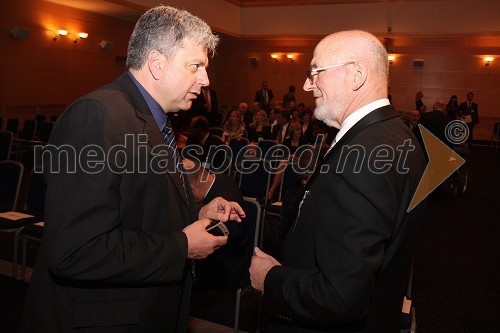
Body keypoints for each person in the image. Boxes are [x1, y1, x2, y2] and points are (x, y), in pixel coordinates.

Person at [21, 6, 245, 333]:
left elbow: (134, 208)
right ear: (156, 63)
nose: (205, 79)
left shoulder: (151, 119)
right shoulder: (97, 117)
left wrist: (194, 215)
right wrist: (182, 246)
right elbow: (76, 251)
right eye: (195, 66)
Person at [249, 30, 427, 333]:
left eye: (315, 71)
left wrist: (270, 277)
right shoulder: (399, 136)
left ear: (356, 74)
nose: (307, 84)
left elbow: (340, 297)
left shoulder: (363, 157)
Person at [183, 159, 253, 291]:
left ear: (191, 189)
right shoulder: (222, 179)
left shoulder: (223, 203)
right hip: (232, 256)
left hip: (228, 268)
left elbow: (209, 246)